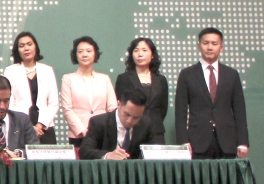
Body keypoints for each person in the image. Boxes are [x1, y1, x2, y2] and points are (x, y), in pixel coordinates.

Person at [174, 27, 249, 159]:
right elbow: (180, 112)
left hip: (227, 141)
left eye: (214, 44)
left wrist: (243, 142)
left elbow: (239, 110)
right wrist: (183, 141)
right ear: (198, 46)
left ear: (221, 47)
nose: (210, 47)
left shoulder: (232, 74)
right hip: (197, 141)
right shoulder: (187, 74)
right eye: (206, 43)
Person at [2, 32, 59, 145]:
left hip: (45, 128)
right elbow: (10, 103)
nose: (26, 48)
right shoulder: (10, 71)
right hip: (21, 127)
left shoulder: (47, 70)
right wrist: (29, 127)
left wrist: (40, 125)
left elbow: (54, 103)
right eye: (22, 46)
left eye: (29, 44)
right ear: (17, 50)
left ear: (35, 47)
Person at [59, 36, 117, 145]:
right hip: (78, 134)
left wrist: (105, 129)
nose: (84, 54)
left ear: (95, 54)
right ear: (75, 55)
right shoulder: (68, 79)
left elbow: (112, 107)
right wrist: (82, 130)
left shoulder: (104, 79)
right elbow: (67, 109)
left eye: (88, 51)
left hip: (102, 133)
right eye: (80, 51)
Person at [80, 92, 164, 160]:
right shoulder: (99, 122)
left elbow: (154, 152)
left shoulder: (146, 124)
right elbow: (85, 151)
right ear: (119, 104)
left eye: (136, 117)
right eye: (127, 114)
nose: (130, 121)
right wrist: (107, 155)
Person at [115, 37, 169, 129]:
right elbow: (121, 106)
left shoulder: (161, 80)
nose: (140, 54)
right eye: (136, 51)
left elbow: (163, 108)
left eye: (144, 50)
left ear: (152, 55)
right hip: (132, 128)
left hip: (156, 129)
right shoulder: (124, 78)